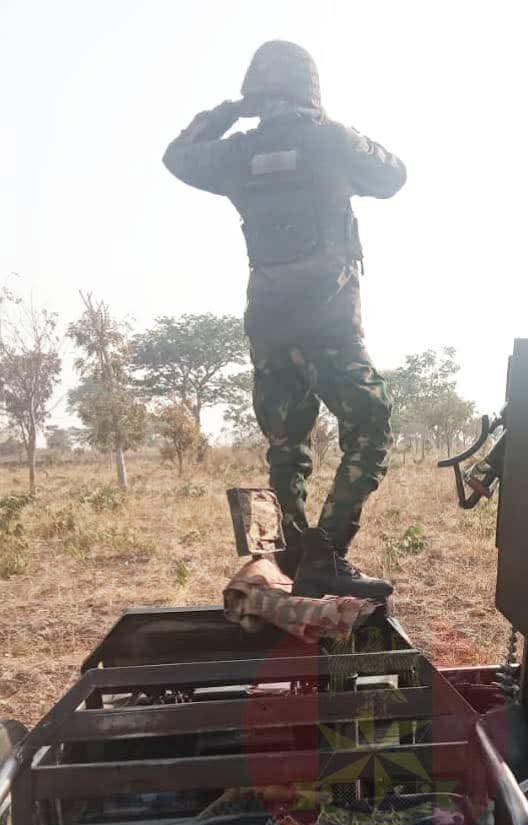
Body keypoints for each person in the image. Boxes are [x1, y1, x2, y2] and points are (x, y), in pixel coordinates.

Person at [163, 41, 406, 599]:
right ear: (311, 89)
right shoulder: (332, 142)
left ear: (258, 94)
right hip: (330, 325)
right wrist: (329, 130)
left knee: (286, 445)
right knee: (370, 422)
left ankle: (296, 555)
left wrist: (229, 113)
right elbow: (394, 174)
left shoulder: (237, 153)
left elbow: (177, 156)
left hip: (269, 327)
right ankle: (328, 551)